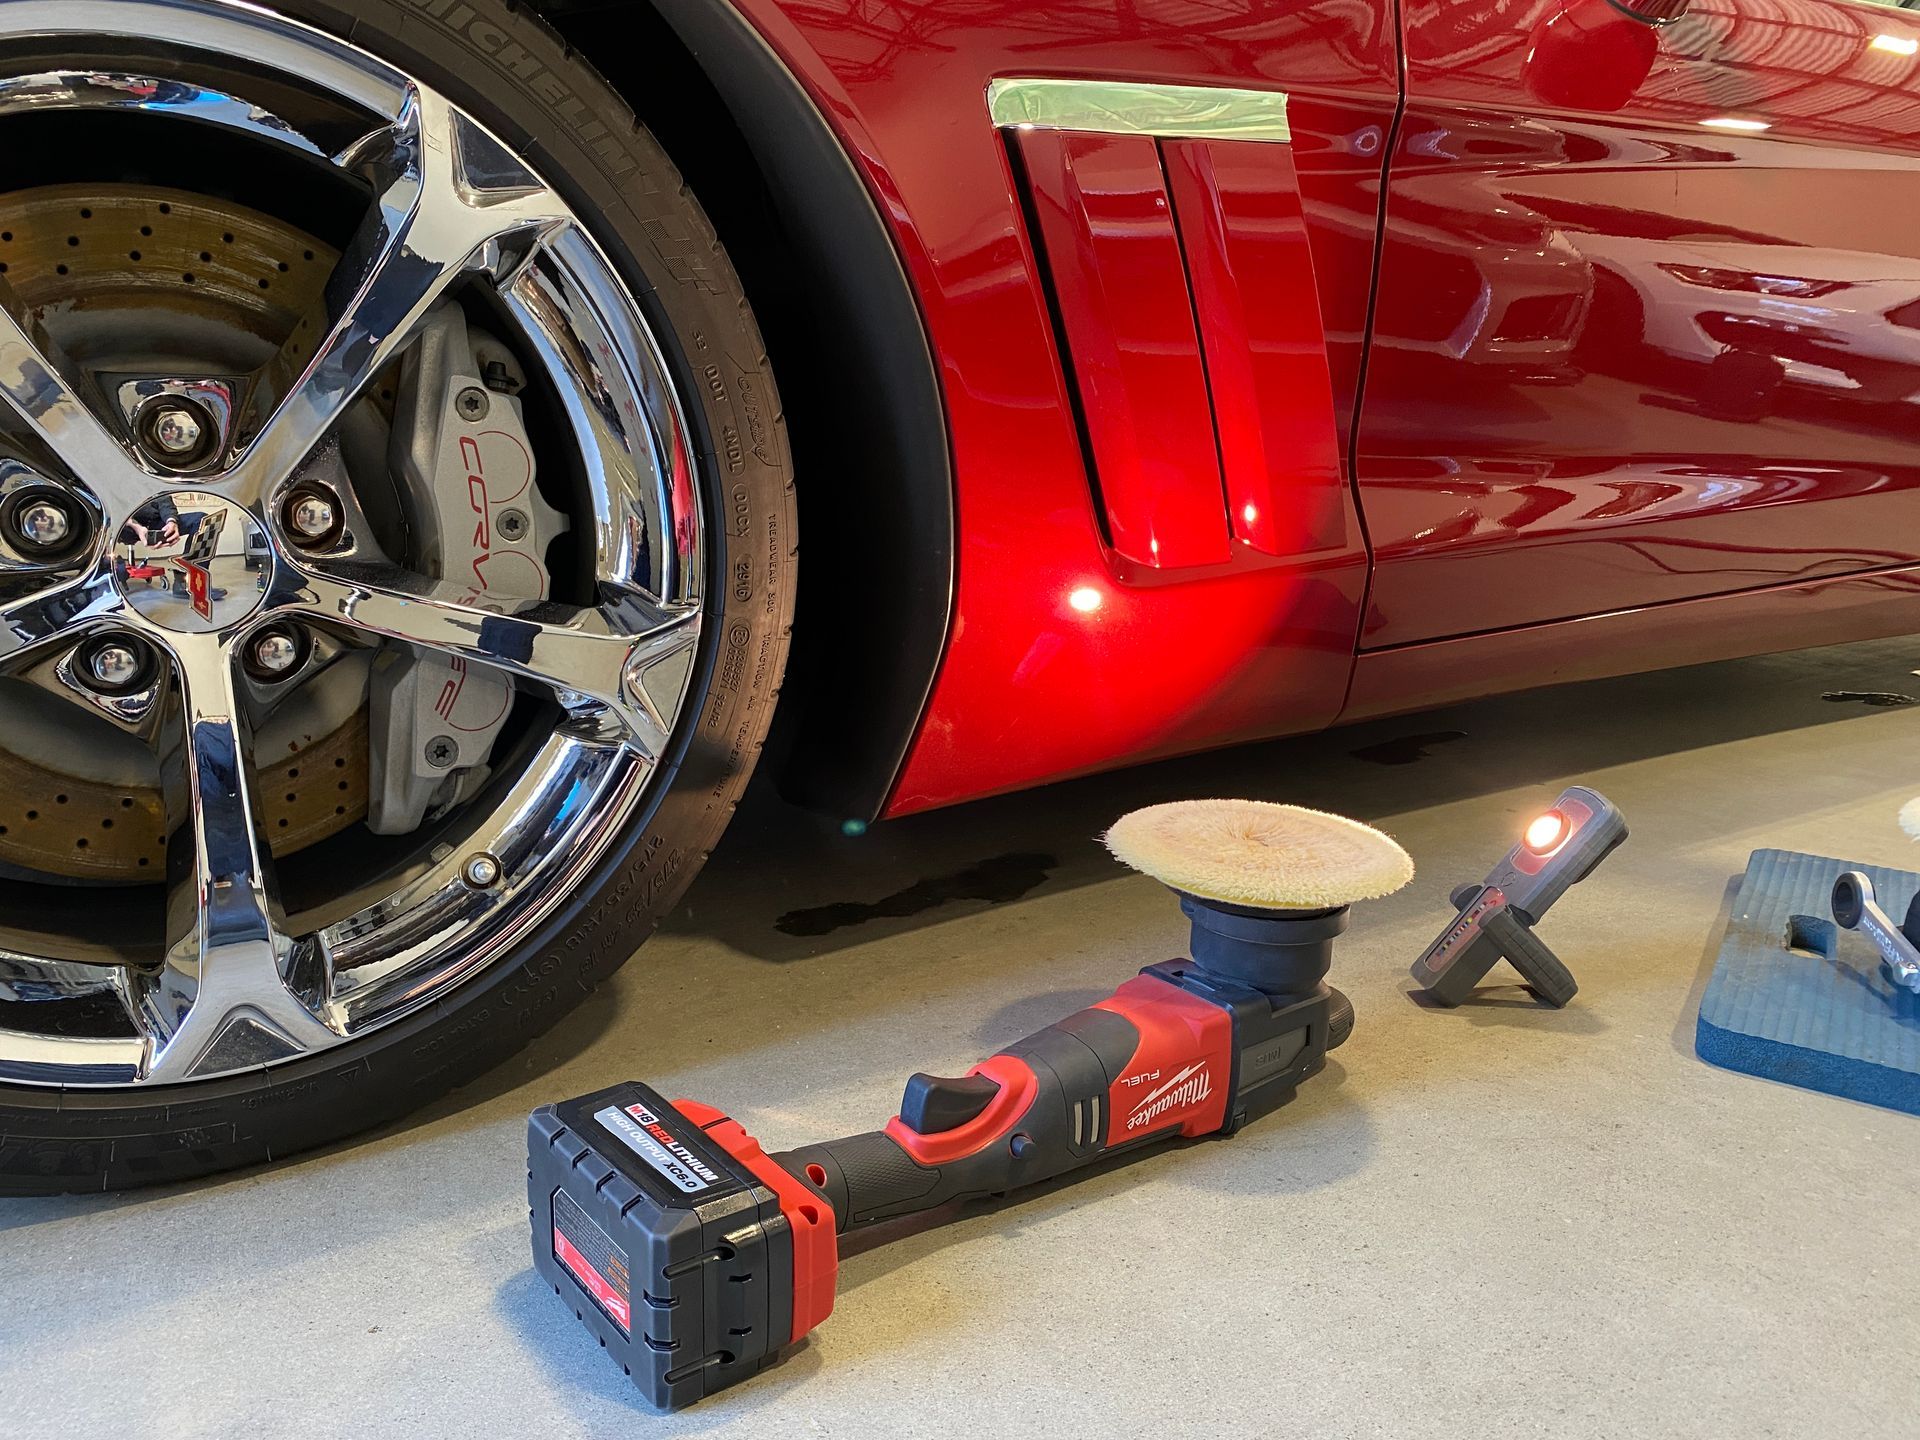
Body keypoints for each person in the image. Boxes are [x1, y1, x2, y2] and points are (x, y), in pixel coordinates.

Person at [120, 497, 227, 601]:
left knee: (204, 522)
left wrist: (171, 521)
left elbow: (164, 499)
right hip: (123, 525)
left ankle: (189, 582)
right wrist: (135, 525)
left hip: (153, 521)